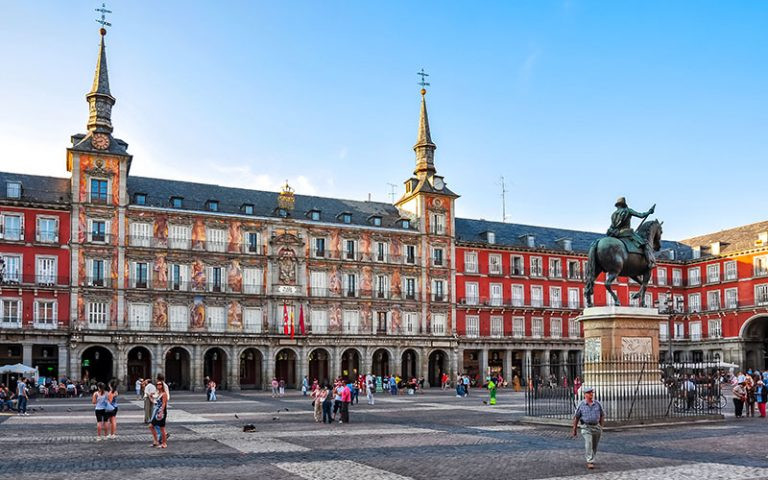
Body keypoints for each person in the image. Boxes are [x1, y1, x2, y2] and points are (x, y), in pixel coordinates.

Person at [606, 197, 656, 267]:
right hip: (626, 233)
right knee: (645, 243)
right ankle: (650, 262)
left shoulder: (614, 214)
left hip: (616, 234)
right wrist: (649, 211)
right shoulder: (628, 211)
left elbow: (613, 225)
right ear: (624, 204)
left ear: (617, 205)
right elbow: (641, 215)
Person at [572, 386, 604, 470]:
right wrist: (574, 429)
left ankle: (591, 457)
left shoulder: (597, 404)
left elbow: (602, 415)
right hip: (586, 427)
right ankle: (590, 461)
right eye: (589, 393)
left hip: (596, 426)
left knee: (594, 445)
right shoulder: (581, 405)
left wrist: (601, 426)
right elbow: (576, 417)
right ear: (585, 395)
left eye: (592, 393)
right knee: (588, 442)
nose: (591, 394)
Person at [150, 381, 168, 448]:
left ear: (162, 386)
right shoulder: (159, 394)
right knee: (151, 426)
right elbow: (156, 403)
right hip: (157, 412)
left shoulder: (164, 394)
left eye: (160, 384)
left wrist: (161, 412)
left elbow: (163, 404)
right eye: (157, 384)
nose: (158, 385)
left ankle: (164, 443)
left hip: (162, 412)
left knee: (162, 428)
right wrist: (151, 397)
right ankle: (156, 441)